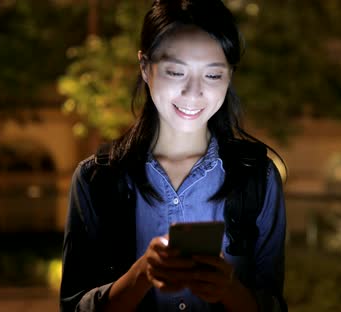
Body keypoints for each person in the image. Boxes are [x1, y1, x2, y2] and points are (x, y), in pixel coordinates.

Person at [59, 0, 287, 311]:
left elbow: (273, 303)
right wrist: (140, 275)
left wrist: (229, 289)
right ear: (144, 66)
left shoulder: (257, 177)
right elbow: (74, 306)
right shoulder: (97, 179)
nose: (193, 93)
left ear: (230, 76)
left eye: (213, 75)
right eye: (176, 71)